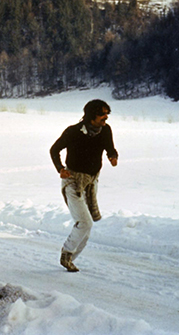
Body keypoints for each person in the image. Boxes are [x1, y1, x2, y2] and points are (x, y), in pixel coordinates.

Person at [50, 99, 118, 272]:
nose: (106, 117)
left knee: (87, 226)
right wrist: (60, 169)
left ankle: (70, 258)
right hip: (72, 182)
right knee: (85, 222)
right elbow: (54, 149)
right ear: (91, 115)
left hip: (91, 183)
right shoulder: (73, 132)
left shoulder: (105, 130)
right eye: (102, 114)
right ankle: (66, 253)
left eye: (107, 113)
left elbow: (110, 148)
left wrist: (113, 156)